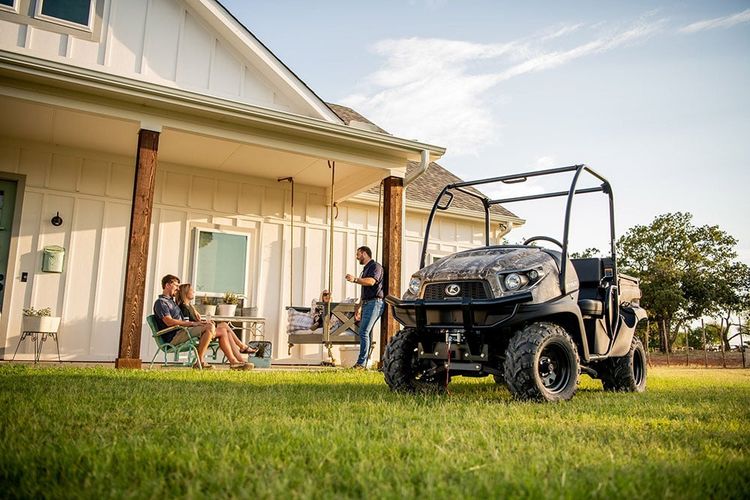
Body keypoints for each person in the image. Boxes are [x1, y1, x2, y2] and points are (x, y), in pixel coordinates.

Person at [153, 274, 251, 371]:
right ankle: (200, 361)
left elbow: (185, 313)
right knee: (210, 327)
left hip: (182, 331)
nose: (178, 289)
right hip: (174, 336)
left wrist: (198, 319)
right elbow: (169, 322)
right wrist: (194, 324)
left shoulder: (172, 302)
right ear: (167, 285)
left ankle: (234, 362)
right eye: (176, 285)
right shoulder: (161, 302)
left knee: (220, 330)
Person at [176, 283, 258, 361]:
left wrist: (204, 322)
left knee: (226, 330)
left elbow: (194, 321)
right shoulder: (183, 307)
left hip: (201, 330)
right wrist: (204, 324)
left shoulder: (189, 306)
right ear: (185, 292)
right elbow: (188, 324)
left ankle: (239, 360)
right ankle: (241, 348)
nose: (194, 292)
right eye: (191, 290)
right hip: (198, 334)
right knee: (224, 326)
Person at [345, 246, 384, 369]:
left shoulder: (375, 266)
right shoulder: (366, 268)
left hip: (375, 303)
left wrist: (355, 279)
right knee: (366, 332)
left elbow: (371, 282)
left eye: (358, 254)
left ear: (365, 253)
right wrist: (359, 306)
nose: (357, 257)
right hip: (368, 303)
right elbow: (365, 291)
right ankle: (365, 362)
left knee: (364, 332)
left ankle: (361, 364)